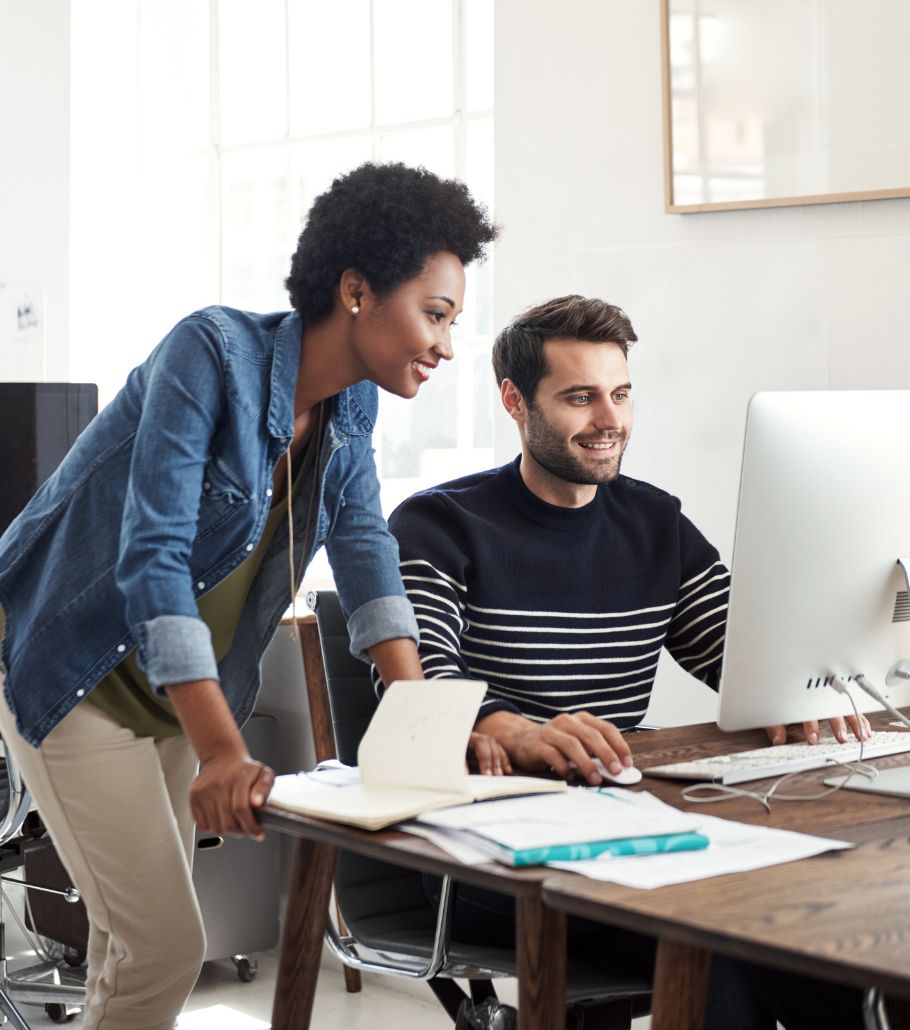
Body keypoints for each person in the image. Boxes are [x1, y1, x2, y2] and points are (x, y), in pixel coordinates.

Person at [0, 161, 496, 1030]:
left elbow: (365, 541)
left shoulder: (351, 412)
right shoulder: (211, 355)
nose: (447, 345)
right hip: (73, 674)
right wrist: (226, 752)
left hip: (172, 699)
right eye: (436, 313)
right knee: (164, 948)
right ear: (354, 290)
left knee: (129, 948)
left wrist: (413, 703)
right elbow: (152, 558)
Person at [378, 294, 871, 1029]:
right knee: (725, 937)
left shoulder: (654, 523)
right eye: (580, 397)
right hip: (485, 856)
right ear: (515, 401)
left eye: (620, 394)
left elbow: (741, 656)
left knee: (829, 935)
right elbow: (420, 683)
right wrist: (511, 729)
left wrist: (802, 686)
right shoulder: (440, 523)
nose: (610, 420)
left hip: (624, 824)